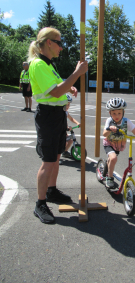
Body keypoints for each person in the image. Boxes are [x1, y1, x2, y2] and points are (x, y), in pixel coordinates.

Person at [28, 27, 88, 224]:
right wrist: (77, 74)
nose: (61, 47)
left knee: (55, 157)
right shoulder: (38, 64)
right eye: (59, 42)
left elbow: (57, 87)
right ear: (48, 43)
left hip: (57, 115)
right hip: (48, 116)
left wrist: (68, 86)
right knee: (48, 161)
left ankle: (51, 191)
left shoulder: (48, 64)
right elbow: (53, 93)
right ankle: (40, 203)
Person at [103, 97, 135, 188]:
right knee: (113, 158)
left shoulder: (126, 121)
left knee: (111, 160)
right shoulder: (109, 121)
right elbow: (104, 134)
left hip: (118, 145)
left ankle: (107, 166)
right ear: (110, 113)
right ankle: (109, 178)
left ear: (123, 112)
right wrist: (110, 129)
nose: (117, 115)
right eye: (114, 113)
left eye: (119, 113)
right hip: (109, 143)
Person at [61, 94, 81, 159]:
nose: (67, 106)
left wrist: (77, 123)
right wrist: (66, 128)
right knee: (59, 144)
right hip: (57, 132)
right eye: (66, 104)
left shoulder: (66, 112)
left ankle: (64, 151)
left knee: (70, 141)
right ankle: (56, 159)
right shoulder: (59, 113)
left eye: (69, 104)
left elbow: (71, 119)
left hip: (63, 132)